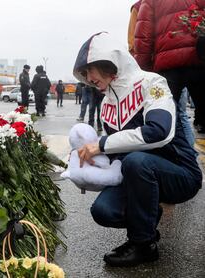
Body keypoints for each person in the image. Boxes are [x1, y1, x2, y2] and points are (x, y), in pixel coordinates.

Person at [73, 32, 202, 267]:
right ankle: (147, 221)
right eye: (83, 72)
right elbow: (116, 151)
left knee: (136, 161)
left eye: (88, 69)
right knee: (103, 211)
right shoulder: (106, 103)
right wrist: (87, 168)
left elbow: (158, 131)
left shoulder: (153, 83)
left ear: (109, 61)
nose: (87, 78)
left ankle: (143, 244)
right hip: (139, 175)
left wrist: (101, 145)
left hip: (180, 172)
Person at [134, 0, 205, 133]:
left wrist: (144, 71)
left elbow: (143, 37)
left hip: (166, 66)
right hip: (199, 59)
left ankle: (179, 151)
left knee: (166, 118)